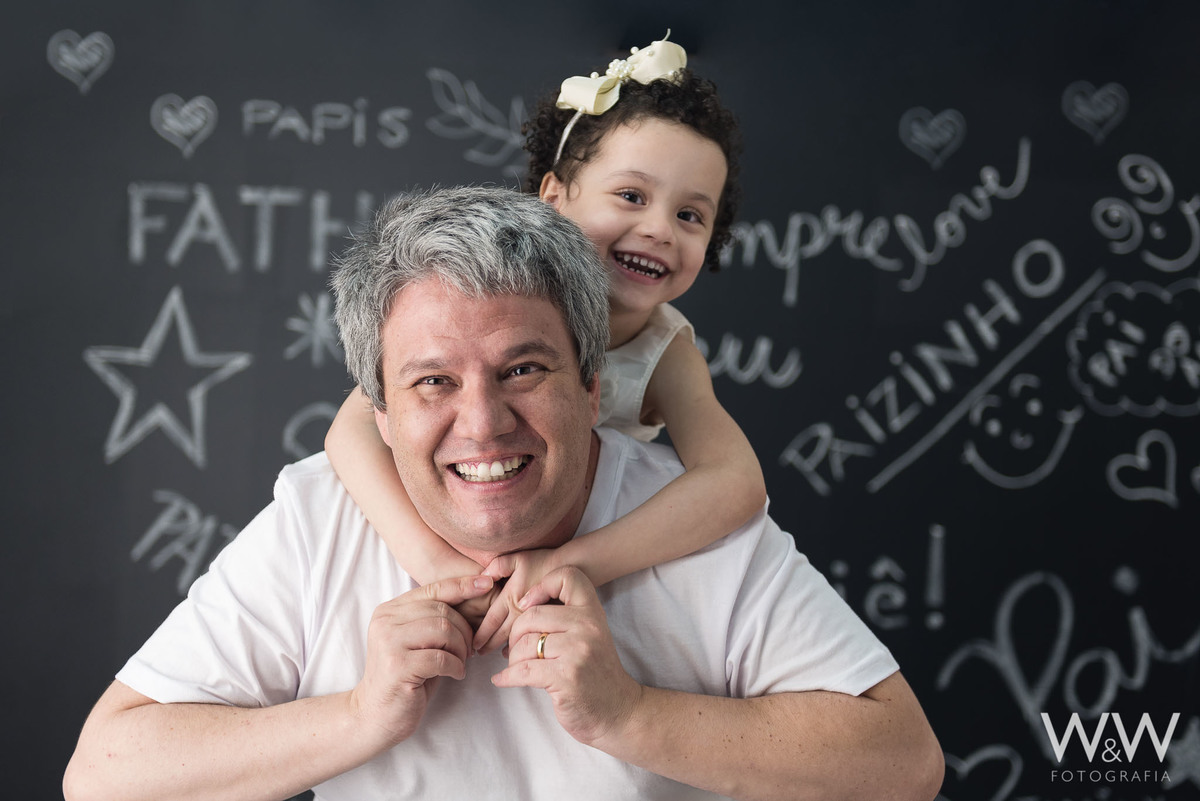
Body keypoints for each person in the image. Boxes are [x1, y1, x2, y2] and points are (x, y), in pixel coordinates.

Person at [64, 185, 943, 801]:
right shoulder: (320, 514)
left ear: (592, 386)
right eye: (433, 382)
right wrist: (360, 716)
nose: (483, 425)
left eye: (523, 369)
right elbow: (104, 771)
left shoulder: (692, 525)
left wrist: (630, 715)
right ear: (379, 411)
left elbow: (902, 763)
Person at [325, 34, 765, 652]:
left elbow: (734, 482)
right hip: (460, 536)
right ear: (555, 197)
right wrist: (431, 561)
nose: (660, 229)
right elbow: (350, 432)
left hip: (585, 563)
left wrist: (579, 562)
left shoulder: (669, 353)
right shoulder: (475, 302)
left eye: (691, 215)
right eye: (632, 196)